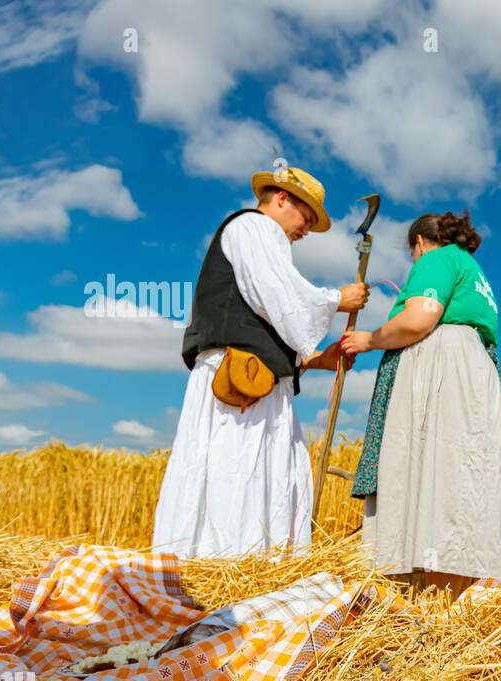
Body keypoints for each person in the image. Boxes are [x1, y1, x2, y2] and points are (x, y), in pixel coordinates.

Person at [152, 166, 368, 558]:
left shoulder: (268, 241)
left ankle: (256, 564)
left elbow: (268, 320)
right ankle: (225, 563)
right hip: (237, 382)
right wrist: (338, 299)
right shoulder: (252, 227)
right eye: (307, 217)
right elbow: (278, 293)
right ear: (282, 198)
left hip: (260, 381)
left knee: (263, 473)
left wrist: (317, 360)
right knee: (235, 470)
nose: (307, 229)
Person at [340, 210, 501, 597]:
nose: (414, 263)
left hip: (443, 369)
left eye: (412, 255)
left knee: (435, 475)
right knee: (461, 479)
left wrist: (368, 340)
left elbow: (420, 318)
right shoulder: (474, 272)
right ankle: (454, 600)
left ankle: (426, 602)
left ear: (419, 244)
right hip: (474, 375)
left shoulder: (438, 259)